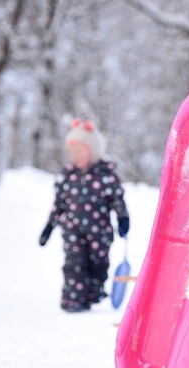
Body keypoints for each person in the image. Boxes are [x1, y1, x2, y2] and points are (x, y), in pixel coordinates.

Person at [39, 119, 130, 313]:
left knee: (98, 264)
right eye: (71, 151)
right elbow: (59, 204)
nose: (73, 156)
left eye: (78, 151)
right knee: (74, 263)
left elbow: (117, 200)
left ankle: (93, 293)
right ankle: (73, 299)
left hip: (100, 232)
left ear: (92, 151)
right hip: (72, 230)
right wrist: (49, 226)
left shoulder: (106, 175)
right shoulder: (68, 176)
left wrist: (123, 219)